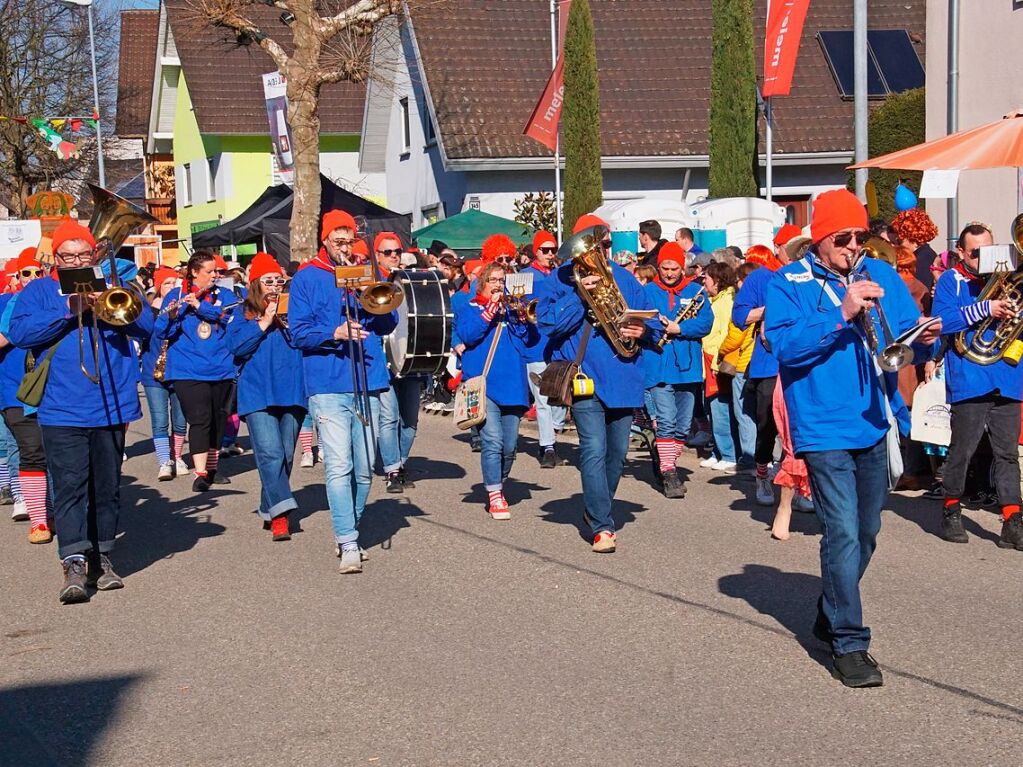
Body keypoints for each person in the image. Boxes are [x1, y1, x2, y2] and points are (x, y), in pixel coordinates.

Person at [764, 188, 942, 687]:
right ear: (820, 240)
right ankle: (849, 641)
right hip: (821, 426)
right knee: (841, 532)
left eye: (859, 236)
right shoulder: (788, 282)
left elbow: (904, 336)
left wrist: (927, 335)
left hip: (872, 419)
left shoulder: (879, 272)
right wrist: (839, 312)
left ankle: (831, 607)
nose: (852, 245)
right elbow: (783, 345)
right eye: (842, 237)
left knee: (867, 533)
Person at [9, 219, 156, 603]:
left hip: (110, 406)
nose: (75, 260)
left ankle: (102, 556)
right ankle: (73, 560)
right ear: (55, 258)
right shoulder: (40, 290)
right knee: (71, 486)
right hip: (61, 410)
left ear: (95, 254)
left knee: (106, 488)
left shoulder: (113, 285)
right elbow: (22, 334)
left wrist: (114, 297)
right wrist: (66, 309)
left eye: (82, 254)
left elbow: (146, 328)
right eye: (67, 255)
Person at [538, 215, 662, 551]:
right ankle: (603, 526)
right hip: (585, 376)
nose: (602, 251)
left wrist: (644, 331)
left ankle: (596, 510)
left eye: (606, 244)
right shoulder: (560, 280)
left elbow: (656, 326)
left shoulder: (626, 278)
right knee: (593, 448)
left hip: (623, 375)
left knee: (618, 454)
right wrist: (578, 295)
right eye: (597, 245)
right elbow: (548, 324)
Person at [289, 209, 398, 574]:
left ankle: (346, 527)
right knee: (339, 465)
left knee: (366, 468)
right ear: (324, 240)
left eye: (348, 240)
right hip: (327, 383)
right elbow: (298, 333)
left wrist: (369, 291)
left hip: (366, 378)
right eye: (337, 241)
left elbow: (387, 322)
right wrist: (333, 332)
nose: (344, 247)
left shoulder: (366, 270)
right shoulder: (307, 277)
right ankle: (349, 539)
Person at [932, 222, 1023, 551]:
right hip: (970, 377)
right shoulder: (950, 281)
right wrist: (986, 307)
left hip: (1008, 376)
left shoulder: (1012, 277)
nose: (984, 259)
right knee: (962, 451)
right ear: (960, 252)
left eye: (989, 250)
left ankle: (1013, 519)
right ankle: (951, 509)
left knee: (1008, 454)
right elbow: (941, 322)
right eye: (976, 253)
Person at [226, 254, 306, 541]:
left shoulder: (294, 309)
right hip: (257, 392)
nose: (274, 286)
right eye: (268, 281)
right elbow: (235, 347)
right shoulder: (242, 312)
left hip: (293, 389)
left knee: (284, 454)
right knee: (270, 452)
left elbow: (305, 341)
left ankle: (268, 505)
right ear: (255, 284)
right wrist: (263, 321)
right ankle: (282, 516)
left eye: (278, 280)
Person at [455, 261, 536, 518]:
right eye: (494, 280)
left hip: (512, 384)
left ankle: (496, 482)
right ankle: (495, 494)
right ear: (483, 283)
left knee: (510, 446)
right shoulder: (471, 307)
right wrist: (488, 312)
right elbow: (467, 335)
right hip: (484, 383)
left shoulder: (513, 310)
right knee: (492, 441)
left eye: (503, 281)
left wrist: (523, 318)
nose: (499, 285)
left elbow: (529, 341)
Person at [153, 250, 239, 492]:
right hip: (188, 369)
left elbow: (230, 320)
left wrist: (202, 307)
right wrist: (171, 315)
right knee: (200, 419)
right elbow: (161, 332)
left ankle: (212, 469)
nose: (214, 276)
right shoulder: (177, 294)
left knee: (218, 419)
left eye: (217, 272)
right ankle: (200, 471)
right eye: (209, 272)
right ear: (194, 272)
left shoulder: (225, 294)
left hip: (221, 367)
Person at [643, 242, 714, 496]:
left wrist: (680, 329)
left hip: (688, 367)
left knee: (683, 426)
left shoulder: (697, 291)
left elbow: (706, 323)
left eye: (674, 268)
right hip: (658, 364)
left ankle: (663, 458)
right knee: (666, 421)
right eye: (665, 268)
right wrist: (656, 325)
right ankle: (669, 471)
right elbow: (641, 321)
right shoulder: (648, 291)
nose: (670, 273)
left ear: (682, 267)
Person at [732, 238, 788, 506]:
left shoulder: (813, 276)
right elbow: (739, 315)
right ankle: (762, 473)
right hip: (768, 363)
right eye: (790, 246)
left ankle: (798, 484)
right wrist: (771, 312)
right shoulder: (760, 278)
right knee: (767, 425)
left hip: (803, 363)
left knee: (799, 427)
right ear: (778, 248)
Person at [0, 249, 47, 540]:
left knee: (53, 453)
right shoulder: (6, 302)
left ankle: (50, 508)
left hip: (53, 390)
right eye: (25, 273)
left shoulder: (53, 299)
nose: (31, 278)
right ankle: (34, 514)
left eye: (37, 272)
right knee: (28, 450)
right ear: (16, 277)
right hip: (14, 390)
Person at [375, 232, 426, 493]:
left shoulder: (409, 281)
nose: (394, 255)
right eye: (388, 252)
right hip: (383, 361)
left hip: (410, 357)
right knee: (388, 418)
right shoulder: (371, 282)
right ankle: (392, 470)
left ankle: (401, 462)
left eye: (397, 251)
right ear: (377, 256)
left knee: (410, 421)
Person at [522, 230, 567, 468]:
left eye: (553, 250)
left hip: (559, 345)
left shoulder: (560, 274)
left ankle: (554, 431)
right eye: (545, 250)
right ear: (535, 251)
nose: (550, 254)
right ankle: (547, 447)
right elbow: (518, 306)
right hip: (536, 345)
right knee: (542, 399)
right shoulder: (524, 276)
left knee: (561, 396)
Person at [140, 265, 188, 481]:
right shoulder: (147, 310)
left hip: (178, 369)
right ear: (159, 287)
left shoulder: (184, 307)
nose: (171, 286)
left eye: (174, 282)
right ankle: (164, 461)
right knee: (159, 419)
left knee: (179, 419)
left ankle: (177, 456)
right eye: (167, 283)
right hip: (153, 371)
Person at [716, 262, 760, 470]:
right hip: (762, 363)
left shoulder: (744, 304)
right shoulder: (768, 299)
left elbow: (735, 336)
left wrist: (721, 350)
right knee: (761, 414)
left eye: (739, 280)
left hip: (743, 364)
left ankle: (750, 458)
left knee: (744, 414)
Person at [699, 261, 740, 473]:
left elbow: (725, 333)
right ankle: (718, 451)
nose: (703, 281)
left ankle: (729, 454)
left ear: (717, 280)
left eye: (706, 277)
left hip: (717, 362)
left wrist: (717, 362)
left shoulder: (726, 302)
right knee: (712, 410)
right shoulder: (715, 300)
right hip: (709, 360)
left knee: (720, 409)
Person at [890, 208, 940, 291]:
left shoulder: (921, 260)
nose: (896, 245)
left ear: (913, 238)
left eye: (900, 241)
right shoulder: (928, 254)